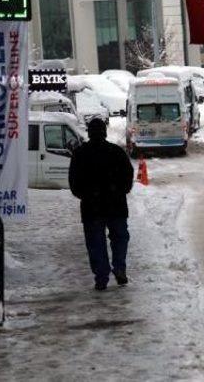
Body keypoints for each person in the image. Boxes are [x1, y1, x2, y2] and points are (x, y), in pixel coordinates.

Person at [69, 118, 134, 291]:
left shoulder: (80, 154)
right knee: (120, 238)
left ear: (89, 133)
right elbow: (128, 175)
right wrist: (120, 190)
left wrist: (87, 195)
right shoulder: (116, 152)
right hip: (117, 206)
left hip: (92, 208)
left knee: (95, 243)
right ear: (105, 132)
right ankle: (119, 267)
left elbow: (73, 183)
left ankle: (101, 276)